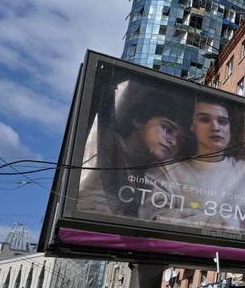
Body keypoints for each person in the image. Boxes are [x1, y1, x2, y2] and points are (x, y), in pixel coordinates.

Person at [143, 98, 245, 240]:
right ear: (192, 126)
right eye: (205, 119)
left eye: (223, 122)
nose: (216, 127)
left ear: (229, 128)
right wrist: (227, 224)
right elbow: (155, 217)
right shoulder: (166, 171)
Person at [77, 78, 186, 217]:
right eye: (167, 129)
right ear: (139, 121)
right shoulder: (104, 147)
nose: (173, 142)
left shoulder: (150, 175)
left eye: (180, 140)